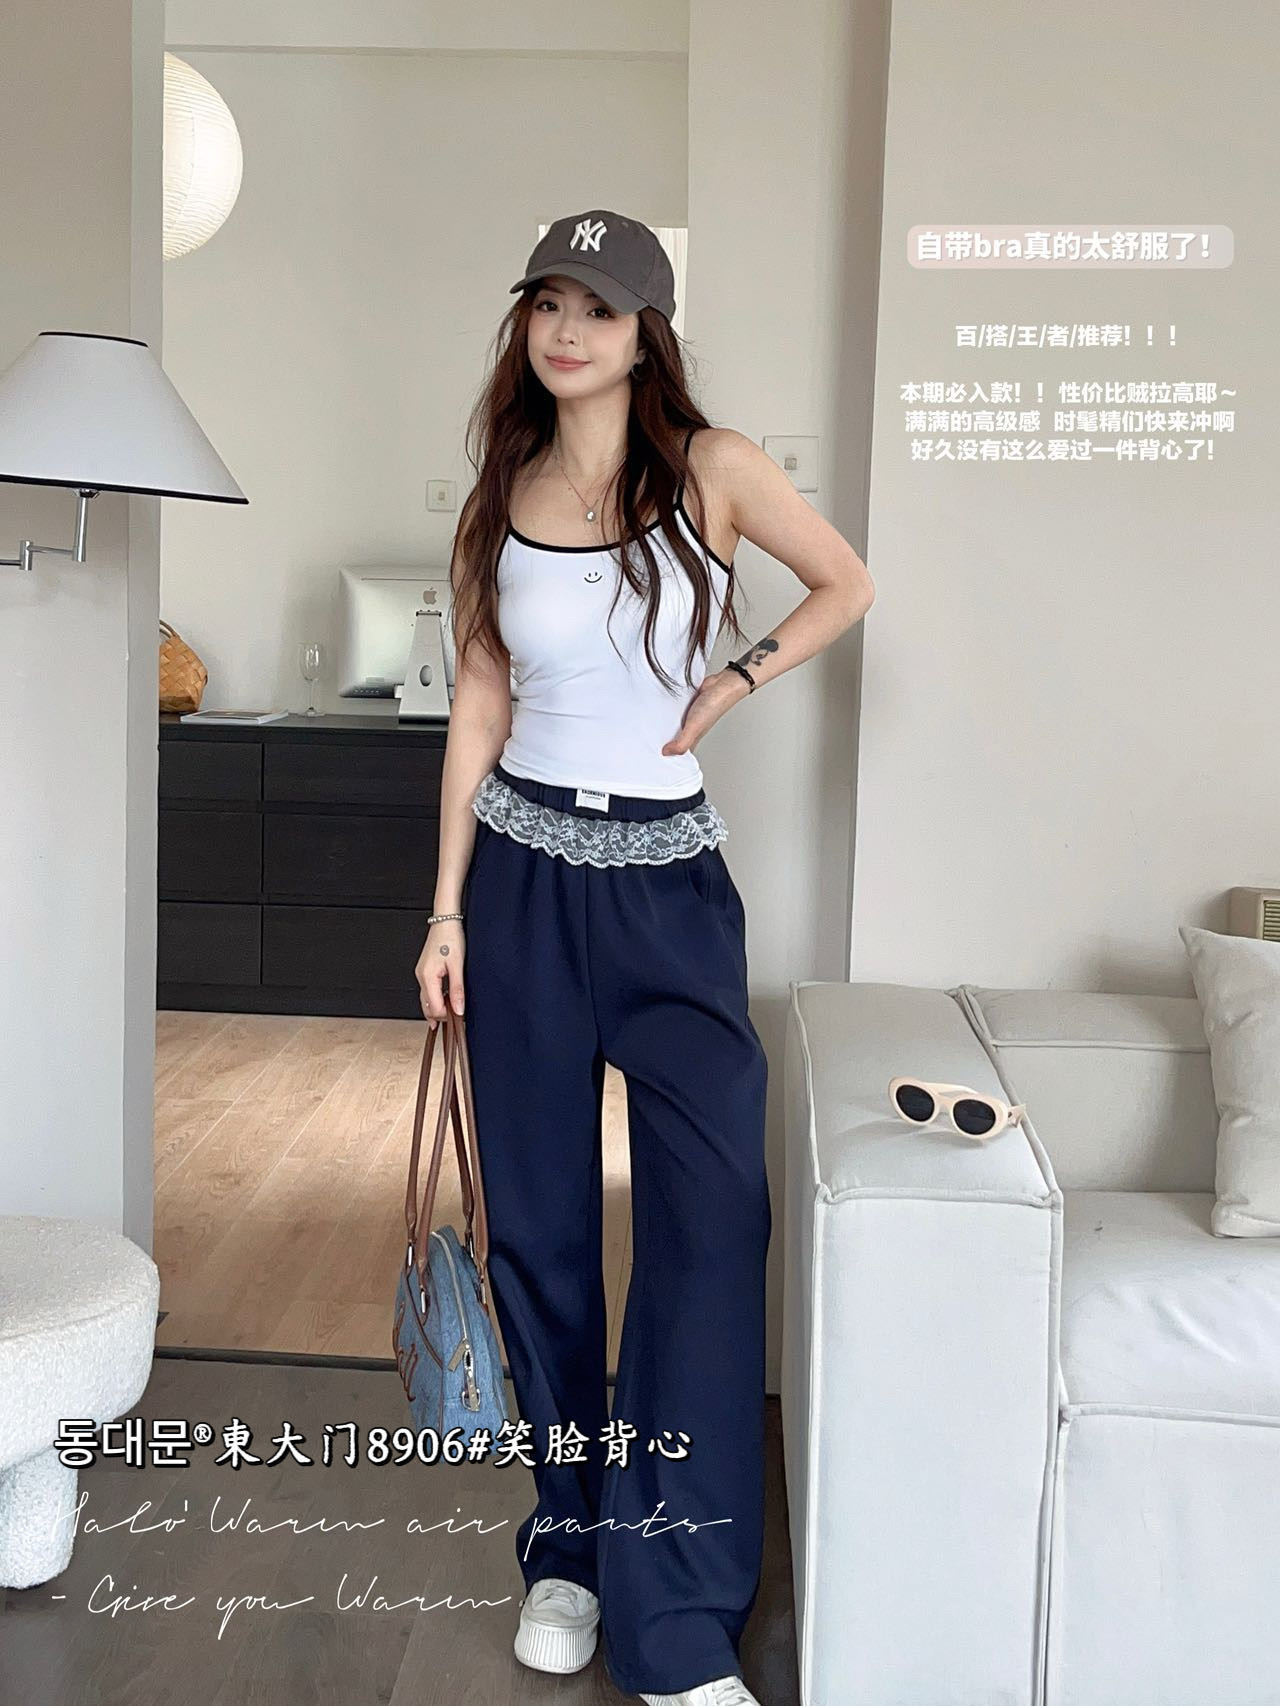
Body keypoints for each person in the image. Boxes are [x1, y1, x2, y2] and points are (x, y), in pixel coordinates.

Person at [415, 208, 873, 1706]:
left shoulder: (714, 469)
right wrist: (444, 909)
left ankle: (674, 1610)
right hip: (521, 884)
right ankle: (566, 1545)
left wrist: (736, 679)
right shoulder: (501, 487)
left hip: (669, 888)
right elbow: (478, 704)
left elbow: (845, 583)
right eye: (547, 301)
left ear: (644, 333)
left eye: (598, 309)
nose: (567, 329)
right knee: (541, 1231)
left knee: (711, 1221)